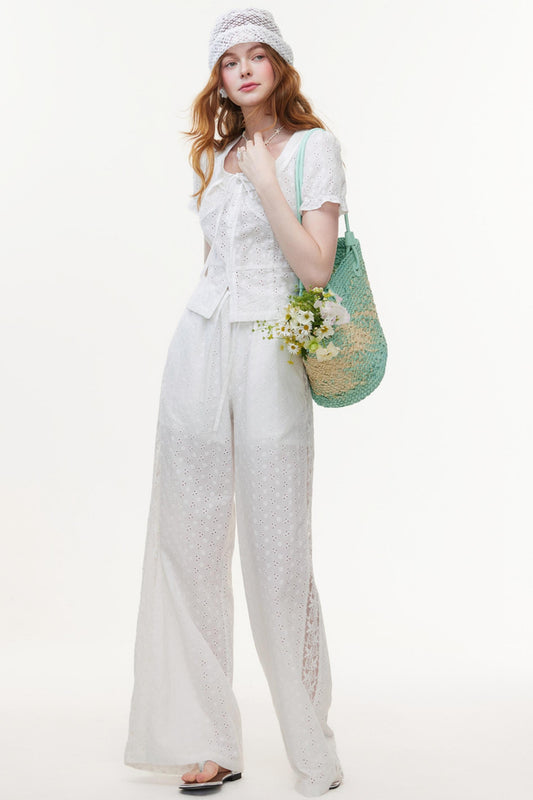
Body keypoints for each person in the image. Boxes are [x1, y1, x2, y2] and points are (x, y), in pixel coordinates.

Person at [123, 8, 348, 797]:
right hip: (198, 344)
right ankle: (209, 738)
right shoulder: (218, 155)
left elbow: (314, 268)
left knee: (277, 556)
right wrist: (240, 170)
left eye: (257, 56)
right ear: (217, 78)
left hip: (269, 350)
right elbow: (212, 259)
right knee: (187, 545)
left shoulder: (313, 149)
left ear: (279, 66)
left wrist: (265, 181)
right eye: (229, 61)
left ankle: (310, 745)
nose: (244, 70)